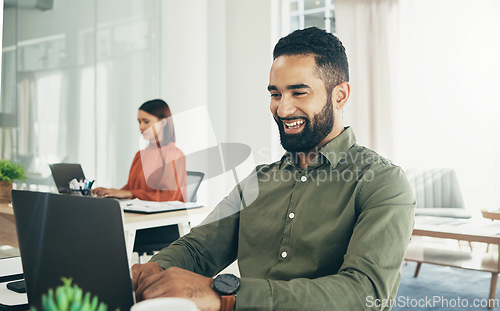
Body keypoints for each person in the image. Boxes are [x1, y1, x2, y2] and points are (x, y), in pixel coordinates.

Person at [131, 27, 415, 311]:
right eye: (276, 94)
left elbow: (366, 293)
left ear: (340, 95)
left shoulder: (383, 182)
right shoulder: (259, 180)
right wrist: (154, 270)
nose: (283, 109)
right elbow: (199, 248)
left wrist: (225, 295)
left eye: (299, 93)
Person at [92, 99, 186, 202]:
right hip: (138, 211)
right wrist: (110, 192)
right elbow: (132, 189)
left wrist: (129, 193)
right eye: (139, 122)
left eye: (146, 122)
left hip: (162, 216)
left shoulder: (173, 154)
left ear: (163, 122)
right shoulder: (140, 155)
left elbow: (169, 197)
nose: (141, 127)